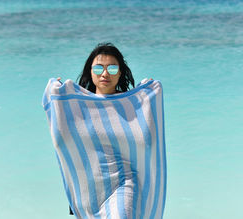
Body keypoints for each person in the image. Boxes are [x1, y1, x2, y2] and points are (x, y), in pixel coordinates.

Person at [46, 43, 166, 218]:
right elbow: (63, 138)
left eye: (112, 68)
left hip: (126, 182)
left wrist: (146, 93)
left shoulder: (133, 105)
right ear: (90, 72)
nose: (105, 73)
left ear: (120, 72)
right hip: (92, 188)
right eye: (98, 68)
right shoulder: (79, 107)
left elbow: (148, 137)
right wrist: (56, 93)